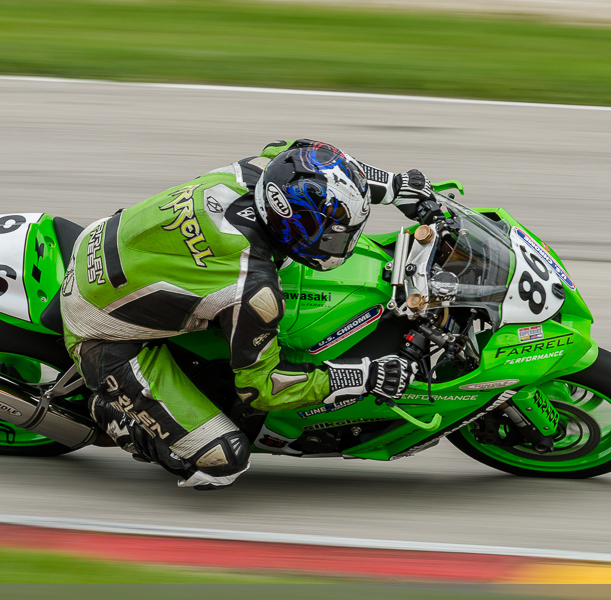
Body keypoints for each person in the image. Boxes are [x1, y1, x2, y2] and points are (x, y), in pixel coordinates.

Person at [60, 139, 436, 489]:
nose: (342, 246)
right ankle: (110, 413)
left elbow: (304, 155)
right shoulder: (252, 286)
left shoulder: (257, 171)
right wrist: (362, 375)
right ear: (293, 225)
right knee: (223, 461)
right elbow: (262, 389)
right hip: (102, 334)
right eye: (334, 236)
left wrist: (394, 184)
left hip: (103, 243)